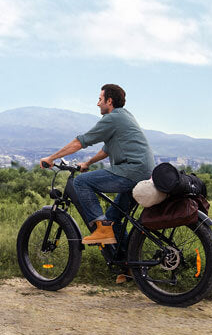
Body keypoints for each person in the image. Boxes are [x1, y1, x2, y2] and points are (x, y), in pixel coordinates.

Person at [40, 84, 154, 246]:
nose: (97, 103)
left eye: (100, 99)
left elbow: (80, 142)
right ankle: (129, 266)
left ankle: (102, 230)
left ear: (109, 100)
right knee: (113, 218)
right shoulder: (124, 116)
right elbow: (106, 150)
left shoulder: (112, 118)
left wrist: (51, 158)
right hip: (143, 173)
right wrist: (87, 163)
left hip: (131, 171)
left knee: (81, 182)